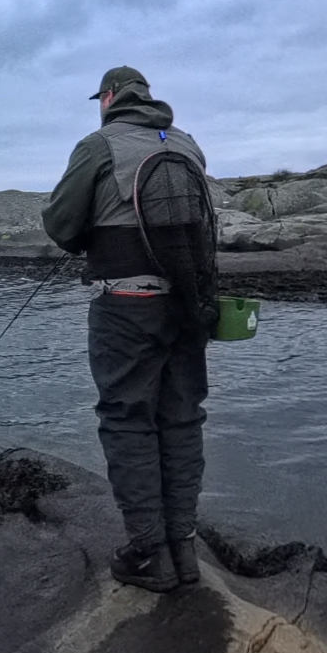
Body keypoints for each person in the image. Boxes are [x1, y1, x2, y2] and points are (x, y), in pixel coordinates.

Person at [41, 65, 218, 592]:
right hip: (190, 305)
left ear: (110, 97)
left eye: (101, 97)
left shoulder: (97, 145)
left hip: (127, 307)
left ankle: (148, 553)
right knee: (182, 419)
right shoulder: (186, 144)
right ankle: (184, 552)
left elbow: (60, 224)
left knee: (127, 420)